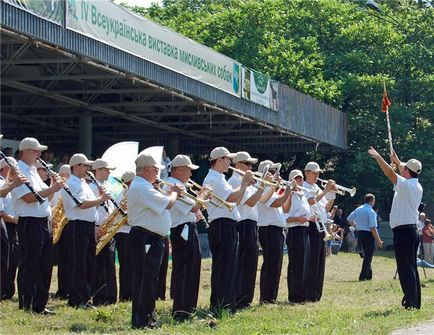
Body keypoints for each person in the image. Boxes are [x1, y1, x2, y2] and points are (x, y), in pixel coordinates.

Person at [128, 153, 182, 329]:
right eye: (155, 169)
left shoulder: (145, 186)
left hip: (151, 237)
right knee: (145, 279)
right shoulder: (141, 187)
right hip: (146, 237)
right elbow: (168, 203)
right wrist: (174, 193)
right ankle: (143, 321)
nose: (157, 173)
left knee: (150, 279)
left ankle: (147, 317)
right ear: (146, 170)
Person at [11, 138, 64, 314]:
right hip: (29, 221)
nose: (39, 155)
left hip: (43, 221)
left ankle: (40, 304)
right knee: (30, 263)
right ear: (25, 151)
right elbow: (28, 198)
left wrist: (52, 186)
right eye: (36, 151)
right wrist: (52, 188)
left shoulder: (34, 171)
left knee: (44, 264)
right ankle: (27, 304)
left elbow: (45, 199)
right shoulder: (18, 172)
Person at [368, 147, 423, 309]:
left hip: (404, 232)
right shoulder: (416, 185)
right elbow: (400, 170)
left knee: (405, 268)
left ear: (406, 171)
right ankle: (414, 300)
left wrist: (378, 157)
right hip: (411, 230)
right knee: (411, 267)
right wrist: (398, 162)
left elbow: (389, 174)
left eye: (403, 168)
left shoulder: (406, 185)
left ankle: (410, 302)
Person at [202, 147, 254, 311]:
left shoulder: (220, 178)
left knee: (228, 266)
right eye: (227, 159)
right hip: (222, 224)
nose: (230, 162)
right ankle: (221, 305)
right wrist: (244, 183)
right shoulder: (214, 178)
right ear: (219, 160)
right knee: (224, 266)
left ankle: (226, 303)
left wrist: (245, 185)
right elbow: (232, 198)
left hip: (227, 223)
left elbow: (234, 200)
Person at [63, 153, 110, 309]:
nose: (88, 169)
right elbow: (81, 204)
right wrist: (101, 199)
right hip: (77, 225)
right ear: (76, 166)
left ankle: (85, 296)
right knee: (79, 263)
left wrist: (100, 198)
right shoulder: (72, 183)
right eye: (85, 166)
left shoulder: (83, 183)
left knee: (89, 262)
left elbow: (91, 206)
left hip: (88, 225)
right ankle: (77, 299)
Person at [167, 154, 209, 321]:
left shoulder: (179, 185)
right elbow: (193, 207)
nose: (191, 175)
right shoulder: (175, 186)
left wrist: (200, 199)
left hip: (186, 227)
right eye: (189, 171)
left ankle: (187, 308)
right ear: (179, 170)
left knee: (191, 268)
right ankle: (182, 311)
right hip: (182, 229)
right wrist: (203, 195)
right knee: (186, 269)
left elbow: (194, 208)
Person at [228, 152, 267, 309]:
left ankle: (246, 298)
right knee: (243, 263)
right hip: (242, 223)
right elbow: (250, 202)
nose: (250, 167)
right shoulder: (234, 181)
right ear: (237, 165)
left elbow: (257, 201)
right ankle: (239, 298)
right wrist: (262, 186)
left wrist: (259, 186)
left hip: (251, 223)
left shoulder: (248, 183)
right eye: (247, 164)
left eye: (251, 165)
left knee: (251, 262)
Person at [257, 160, 292, 304]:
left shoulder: (271, 188)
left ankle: (271, 296)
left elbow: (285, 208)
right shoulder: (264, 187)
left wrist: (288, 193)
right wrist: (286, 190)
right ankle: (266, 297)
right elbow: (275, 203)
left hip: (276, 229)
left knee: (276, 264)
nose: (275, 175)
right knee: (271, 264)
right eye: (271, 172)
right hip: (268, 229)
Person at [303, 161, 336, 302]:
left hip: (321, 226)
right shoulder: (304, 187)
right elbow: (312, 201)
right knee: (312, 260)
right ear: (307, 173)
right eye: (315, 173)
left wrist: (332, 195)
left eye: (318, 173)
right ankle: (309, 292)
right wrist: (326, 190)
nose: (317, 176)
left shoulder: (317, 187)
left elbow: (326, 208)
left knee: (320, 260)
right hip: (311, 225)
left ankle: (317, 293)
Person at [89, 159, 117, 305]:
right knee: (99, 265)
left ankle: (111, 296)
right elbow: (91, 208)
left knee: (109, 264)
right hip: (98, 227)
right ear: (98, 170)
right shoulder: (92, 188)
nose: (109, 172)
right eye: (106, 170)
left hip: (108, 228)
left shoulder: (106, 186)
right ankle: (100, 297)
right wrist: (94, 227)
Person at [283, 169, 311, 303]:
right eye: (296, 179)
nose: (299, 181)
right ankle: (294, 295)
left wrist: (311, 219)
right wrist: (298, 219)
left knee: (304, 263)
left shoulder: (303, 195)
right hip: (294, 231)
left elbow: (306, 214)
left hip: (304, 230)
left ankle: (302, 293)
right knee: (296, 263)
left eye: (300, 179)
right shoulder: (288, 195)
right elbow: (285, 217)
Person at [347, 194, 383, 281]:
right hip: (369, 235)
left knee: (367, 256)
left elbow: (349, 219)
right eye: (374, 200)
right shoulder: (371, 212)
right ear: (372, 201)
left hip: (360, 233)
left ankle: (369, 275)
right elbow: (373, 227)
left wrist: (357, 226)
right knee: (368, 256)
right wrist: (378, 240)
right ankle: (362, 276)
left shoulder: (358, 209)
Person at [114, 171, 135, 301]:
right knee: (127, 265)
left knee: (130, 265)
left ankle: (129, 294)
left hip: (128, 232)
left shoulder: (127, 194)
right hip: (124, 233)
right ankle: (125, 295)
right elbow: (123, 218)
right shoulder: (123, 196)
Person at [0, 157, 19, 300]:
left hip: (12, 224)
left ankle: (7, 289)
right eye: (13, 167)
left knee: (11, 259)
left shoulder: (6, 182)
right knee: (4, 258)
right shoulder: (2, 182)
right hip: (7, 222)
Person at [52, 164, 71, 300]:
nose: (64, 177)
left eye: (66, 175)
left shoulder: (68, 187)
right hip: (61, 225)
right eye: (62, 174)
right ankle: (63, 289)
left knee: (69, 260)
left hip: (69, 224)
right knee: (64, 260)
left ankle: (67, 288)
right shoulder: (58, 188)